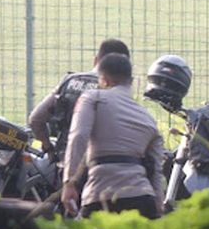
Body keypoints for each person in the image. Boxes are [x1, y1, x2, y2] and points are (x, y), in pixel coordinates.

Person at [60, 53, 166, 219]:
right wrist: (158, 206)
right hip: (142, 198)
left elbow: (78, 136)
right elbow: (156, 170)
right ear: (131, 82)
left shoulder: (93, 97)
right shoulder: (149, 120)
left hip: (101, 195)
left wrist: (69, 182)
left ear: (103, 80)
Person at [28, 38, 130, 163]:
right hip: (99, 165)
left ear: (96, 59)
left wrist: (48, 147)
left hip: (64, 160)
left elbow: (35, 119)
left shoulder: (69, 81)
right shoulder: (114, 89)